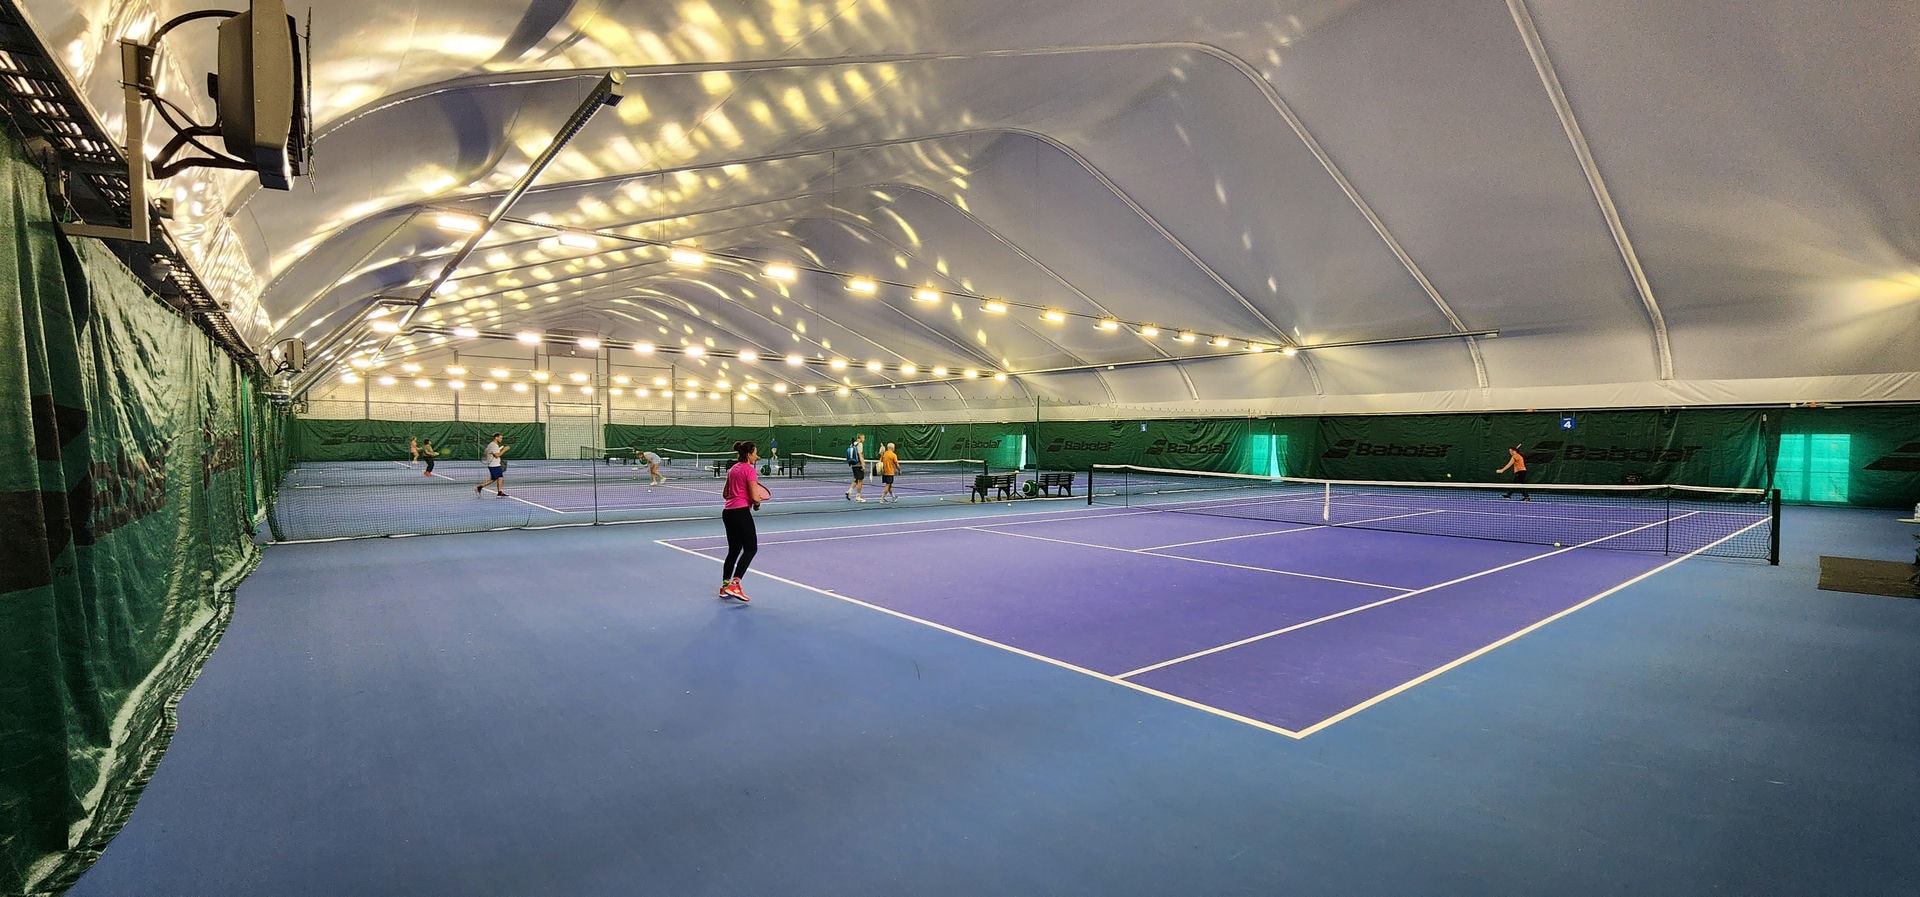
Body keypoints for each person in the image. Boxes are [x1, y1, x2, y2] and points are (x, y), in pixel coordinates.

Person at [719, 440, 763, 602]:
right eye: (755, 453)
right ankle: (735, 584)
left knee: (734, 550)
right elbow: (755, 497)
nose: (757, 457)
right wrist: (757, 503)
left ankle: (725, 587)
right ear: (749, 454)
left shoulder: (733, 469)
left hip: (728, 513)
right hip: (741, 513)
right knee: (751, 548)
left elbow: (725, 494)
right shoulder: (749, 470)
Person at [476, 432, 511, 497]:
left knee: (498, 478)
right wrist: (504, 450)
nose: (501, 439)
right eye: (500, 438)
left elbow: (485, 452)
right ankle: (479, 487)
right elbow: (497, 455)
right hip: (494, 465)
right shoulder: (494, 445)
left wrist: (490, 455)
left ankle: (499, 492)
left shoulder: (491, 445)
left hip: (495, 464)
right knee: (496, 478)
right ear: (496, 437)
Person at [844, 433, 868, 502]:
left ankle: (849, 491)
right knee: (860, 481)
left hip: (853, 464)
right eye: (863, 438)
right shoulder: (860, 444)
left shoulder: (852, 444)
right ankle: (858, 497)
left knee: (857, 479)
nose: (864, 439)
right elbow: (860, 455)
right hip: (858, 465)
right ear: (860, 438)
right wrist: (863, 465)